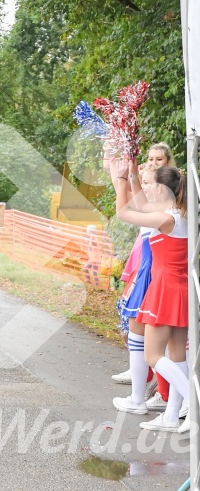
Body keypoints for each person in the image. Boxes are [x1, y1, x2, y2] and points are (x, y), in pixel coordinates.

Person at [111, 161, 189, 433]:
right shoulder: (181, 214)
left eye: (151, 183)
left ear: (161, 188)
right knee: (178, 356)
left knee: (154, 356)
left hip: (164, 288)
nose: (147, 189)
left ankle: (192, 401)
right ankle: (171, 416)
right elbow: (141, 204)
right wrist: (131, 174)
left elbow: (123, 211)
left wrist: (121, 180)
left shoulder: (165, 218)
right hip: (182, 288)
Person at [111, 142, 175, 385]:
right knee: (155, 343)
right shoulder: (164, 209)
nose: (154, 163)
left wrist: (126, 177)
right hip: (151, 268)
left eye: (159, 159)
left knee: (156, 346)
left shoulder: (164, 213)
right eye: (150, 158)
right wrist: (125, 172)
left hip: (157, 275)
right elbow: (133, 198)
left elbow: (128, 207)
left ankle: (166, 394)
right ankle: (155, 389)